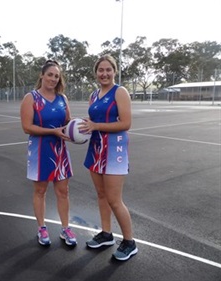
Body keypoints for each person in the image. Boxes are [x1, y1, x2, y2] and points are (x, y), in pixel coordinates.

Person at [79, 55, 138, 261]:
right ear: (96, 73)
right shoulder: (94, 95)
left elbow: (125, 123)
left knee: (114, 199)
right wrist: (84, 126)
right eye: (100, 70)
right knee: (101, 194)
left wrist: (96, 126)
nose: (104, 73)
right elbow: (94, 121)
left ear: (114, 71)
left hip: (114, 150)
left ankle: (130, 242)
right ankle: (106, 234)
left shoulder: (119, 92)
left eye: (108, 70)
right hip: (96, 149)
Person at [20, 59, 77, 247]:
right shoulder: (31, 98)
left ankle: (65, 228)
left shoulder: (62, 99)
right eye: (50, 74)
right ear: (42, 75)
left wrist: (78, 128)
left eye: (56, 76)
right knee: (40, 191)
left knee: (63, 191)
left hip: (60, 151)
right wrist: (53, 131)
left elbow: (68, 122)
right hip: (40, 151)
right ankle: (42, 228)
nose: (53, 79)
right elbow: (27, 127)